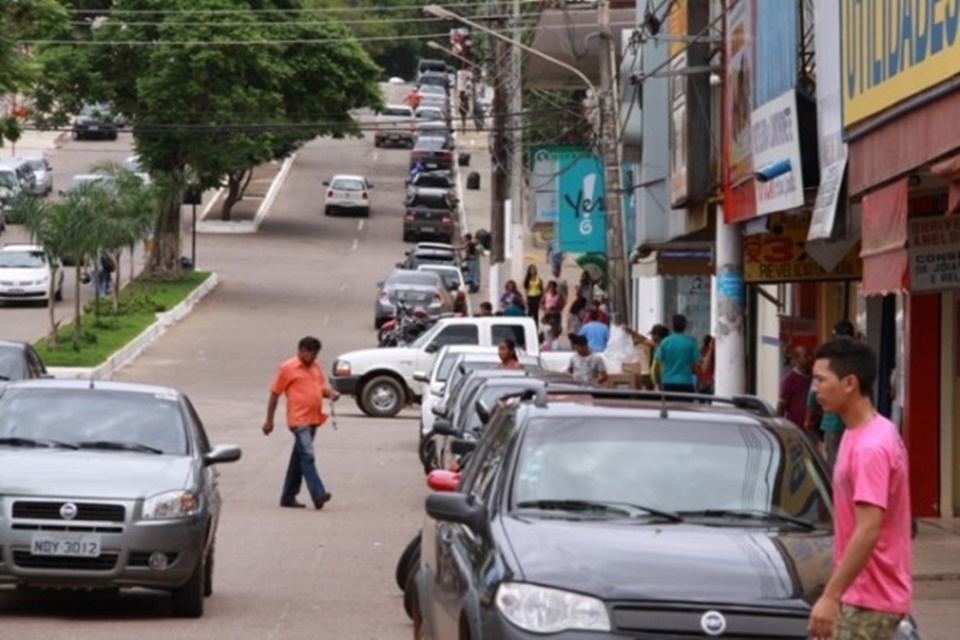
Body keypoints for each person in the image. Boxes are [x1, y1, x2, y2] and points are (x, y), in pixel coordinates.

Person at [807, 338, 912, 640]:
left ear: (849, 382)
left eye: (821, 380)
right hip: (861, 595)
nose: (815, 389)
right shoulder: (865, 432)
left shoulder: (870, 447)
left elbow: (868, 529)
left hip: (868, 600)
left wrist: (830, 596)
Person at [262, 336, 339, 510]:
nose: (314, 358)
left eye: (316, 355)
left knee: (298, 459)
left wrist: (330, 393)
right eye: (311, 354)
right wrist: (269, 421)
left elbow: (320, 389)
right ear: (302, 350)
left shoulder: (316, 367)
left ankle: (288, 496)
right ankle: (318, 494)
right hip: (299, 420)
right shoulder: (287, 368)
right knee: (307, 456)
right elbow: (274, 394)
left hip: (313, 419)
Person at [653, 314, 701, 394]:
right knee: (686, 406)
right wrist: (698, 383)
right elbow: (697, 366)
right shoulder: (691, 343)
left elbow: (657, 366)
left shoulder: (665, 342)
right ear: (685, 326)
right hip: (685, 383)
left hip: (668, 383)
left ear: (672, 325)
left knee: (668, 406)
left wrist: (658, 382)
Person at [778, 345, 813, 432]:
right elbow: (782, 405)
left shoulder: (813, 377)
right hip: (795, 428)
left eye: (810, 356)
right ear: (797, 359)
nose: (810, 359)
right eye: (806, 356)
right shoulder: (789, 380)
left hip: (813, 427)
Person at [523, 265, 544, 329]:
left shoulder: (539, 278)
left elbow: (542, 289)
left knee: (535, 312)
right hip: (530, 296)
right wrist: (526, 299)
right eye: (531, 269)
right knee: (530, 312)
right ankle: (528, 326)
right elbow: (526, 289)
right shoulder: (527, 279)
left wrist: (541, 299)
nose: (533, 271)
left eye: (534, 269)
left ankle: (536, 327)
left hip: (537, 296)